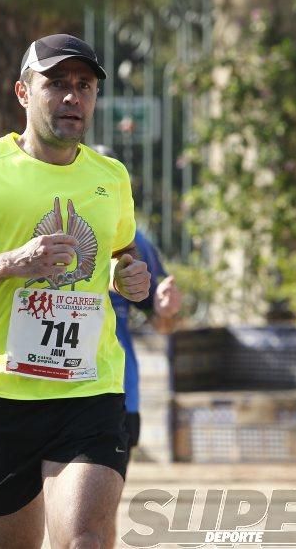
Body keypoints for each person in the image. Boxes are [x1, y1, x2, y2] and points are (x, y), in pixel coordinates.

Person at [0, 34, 150, 549]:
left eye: (84, 86)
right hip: (2, 394)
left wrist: (127, 275)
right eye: (56, 83)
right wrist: (13, 262)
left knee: (85, 538)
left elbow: (120, 255)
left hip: (90, 388)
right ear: (23, 92)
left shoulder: (112, 176)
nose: (72, 97)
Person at [91, 145, 181, 463]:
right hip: (50, 389)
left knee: (98, 505)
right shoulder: (48, 231)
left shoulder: (136, 243)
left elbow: (161, 323)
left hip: (118, 390)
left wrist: (165, 310)